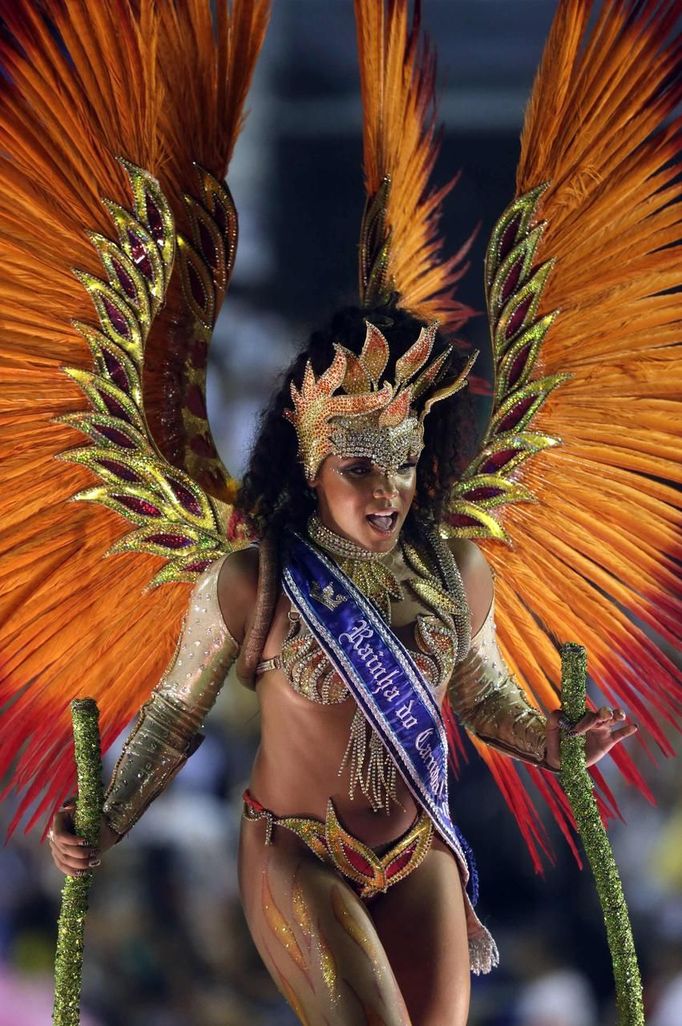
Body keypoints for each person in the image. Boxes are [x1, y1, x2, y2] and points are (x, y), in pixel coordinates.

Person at [48, 304, 636, 1026]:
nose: (387, 490)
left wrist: (554, 741)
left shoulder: (457, 572)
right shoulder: (253, 583)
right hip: (297, 854)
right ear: (312, 466)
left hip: (420, 856)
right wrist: (103, 821)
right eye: (359, 467)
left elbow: (486, 701)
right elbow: (171, 716)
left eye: (404, 462)